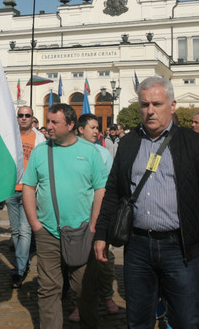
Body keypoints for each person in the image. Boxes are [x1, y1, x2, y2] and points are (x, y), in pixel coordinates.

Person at [94, 77, 199, 329]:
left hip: (180, 247)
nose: (150, 110)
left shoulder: (192, 143)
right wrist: (102, 233)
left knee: (187, 320)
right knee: (138, 319)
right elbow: (114, 192)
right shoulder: (130, 142)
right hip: (138, 246)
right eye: (144, 104)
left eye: (157, 103)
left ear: (172, 105)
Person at [23, 103, 107, 329]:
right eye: (47, 121)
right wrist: (35, 224)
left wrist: (93, 224)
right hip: (48, 232)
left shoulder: (90, 151)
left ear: (71, 125)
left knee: (84, 289)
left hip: (82, 231)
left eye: (54, 122)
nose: (48, 126)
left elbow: (101, 189)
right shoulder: (42, 151)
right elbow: (28, 187)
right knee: (49, 289)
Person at [75, 113, 119, 319]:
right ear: (80, 129)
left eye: (97, 127)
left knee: (104, 260)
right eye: (92, 127)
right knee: (79, 263)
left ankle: (106, 295)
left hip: (100, 214)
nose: (96, 131)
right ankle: (80, 302)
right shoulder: (69, 151)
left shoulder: (103, 153)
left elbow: (110, 184)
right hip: (78, 214)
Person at [8, 105, 44, 289]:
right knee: (15, 231)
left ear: (32, 118)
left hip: (30, 190)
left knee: (25, 230)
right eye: (20, 115)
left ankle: (19, 269)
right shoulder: (9, 137)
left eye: (27, 115)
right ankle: (22, 261)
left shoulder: (40, 138)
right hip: (10, 189)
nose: (23, 118)